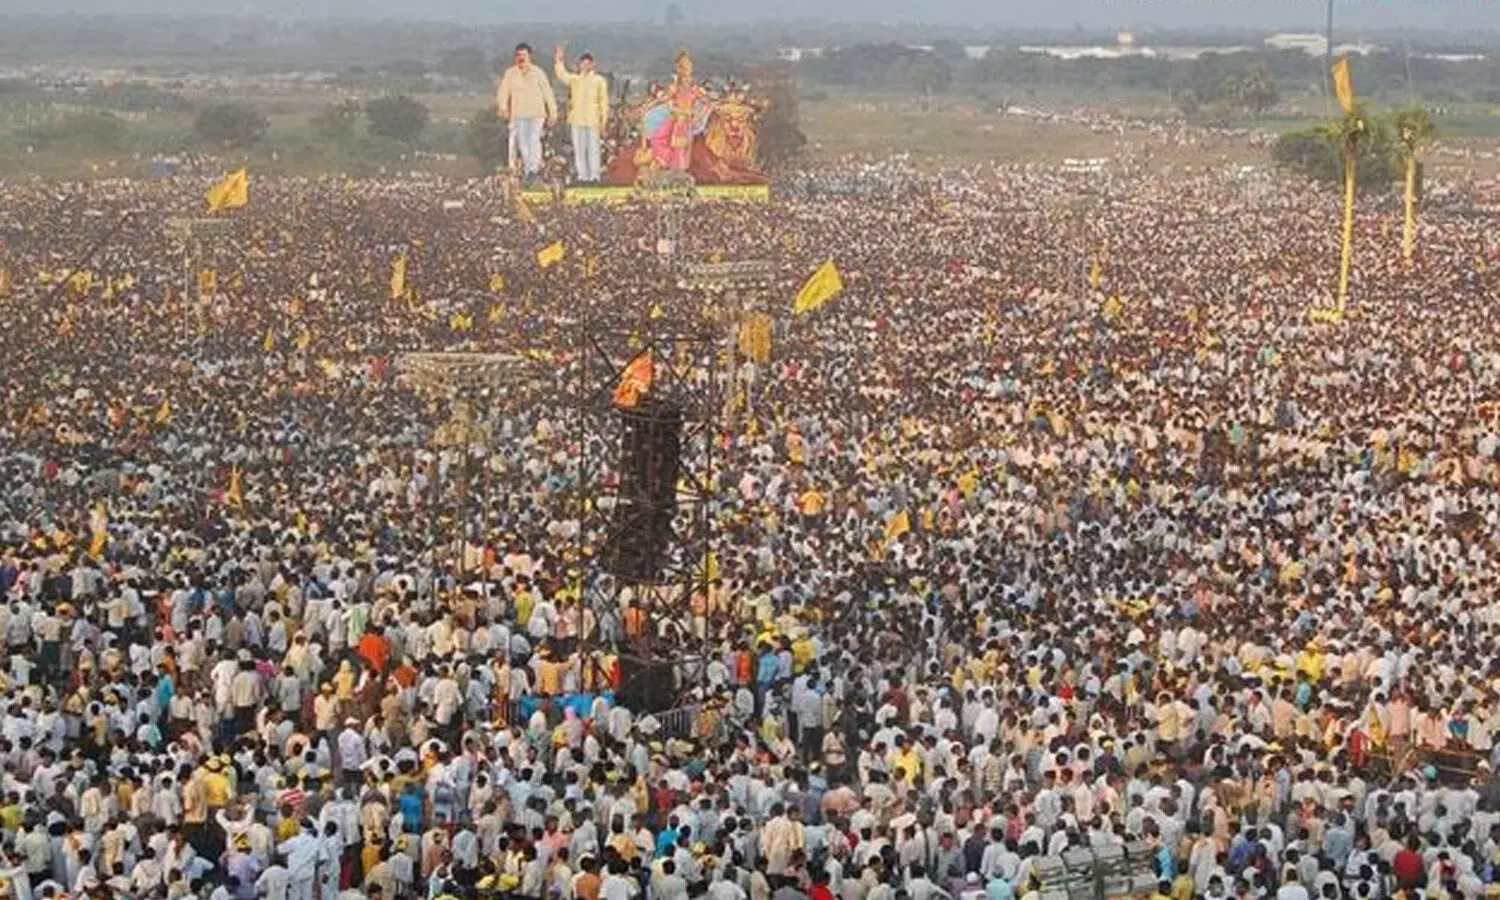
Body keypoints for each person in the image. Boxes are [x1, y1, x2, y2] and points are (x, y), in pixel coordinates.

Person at [496, 42, 557, 184]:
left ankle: (534, 170)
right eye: (518, 55)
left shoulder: (538, 73)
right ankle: (529, 169)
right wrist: (503, 107)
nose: (521, 58)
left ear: (530, 56)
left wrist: (552, 112)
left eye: (524, 55)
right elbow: (503, 92)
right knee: (523, 144)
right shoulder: (510, 73)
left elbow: (548, 93)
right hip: (519, 114)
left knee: (534, 140)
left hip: (536, 113)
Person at [554, 44, 610, 184]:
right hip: (577, 119)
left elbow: (603, 101)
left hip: (593, 119)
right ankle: (582, 175)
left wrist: (604, 120)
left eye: (588, 64)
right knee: (579, 149)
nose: (585, 66)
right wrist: (559, 60)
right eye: (583, 64)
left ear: (593, 64)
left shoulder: (599, 81)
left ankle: (594, 176)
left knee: (593, 148)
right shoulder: (575, 80)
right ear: (580, 65)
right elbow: (562, 75)